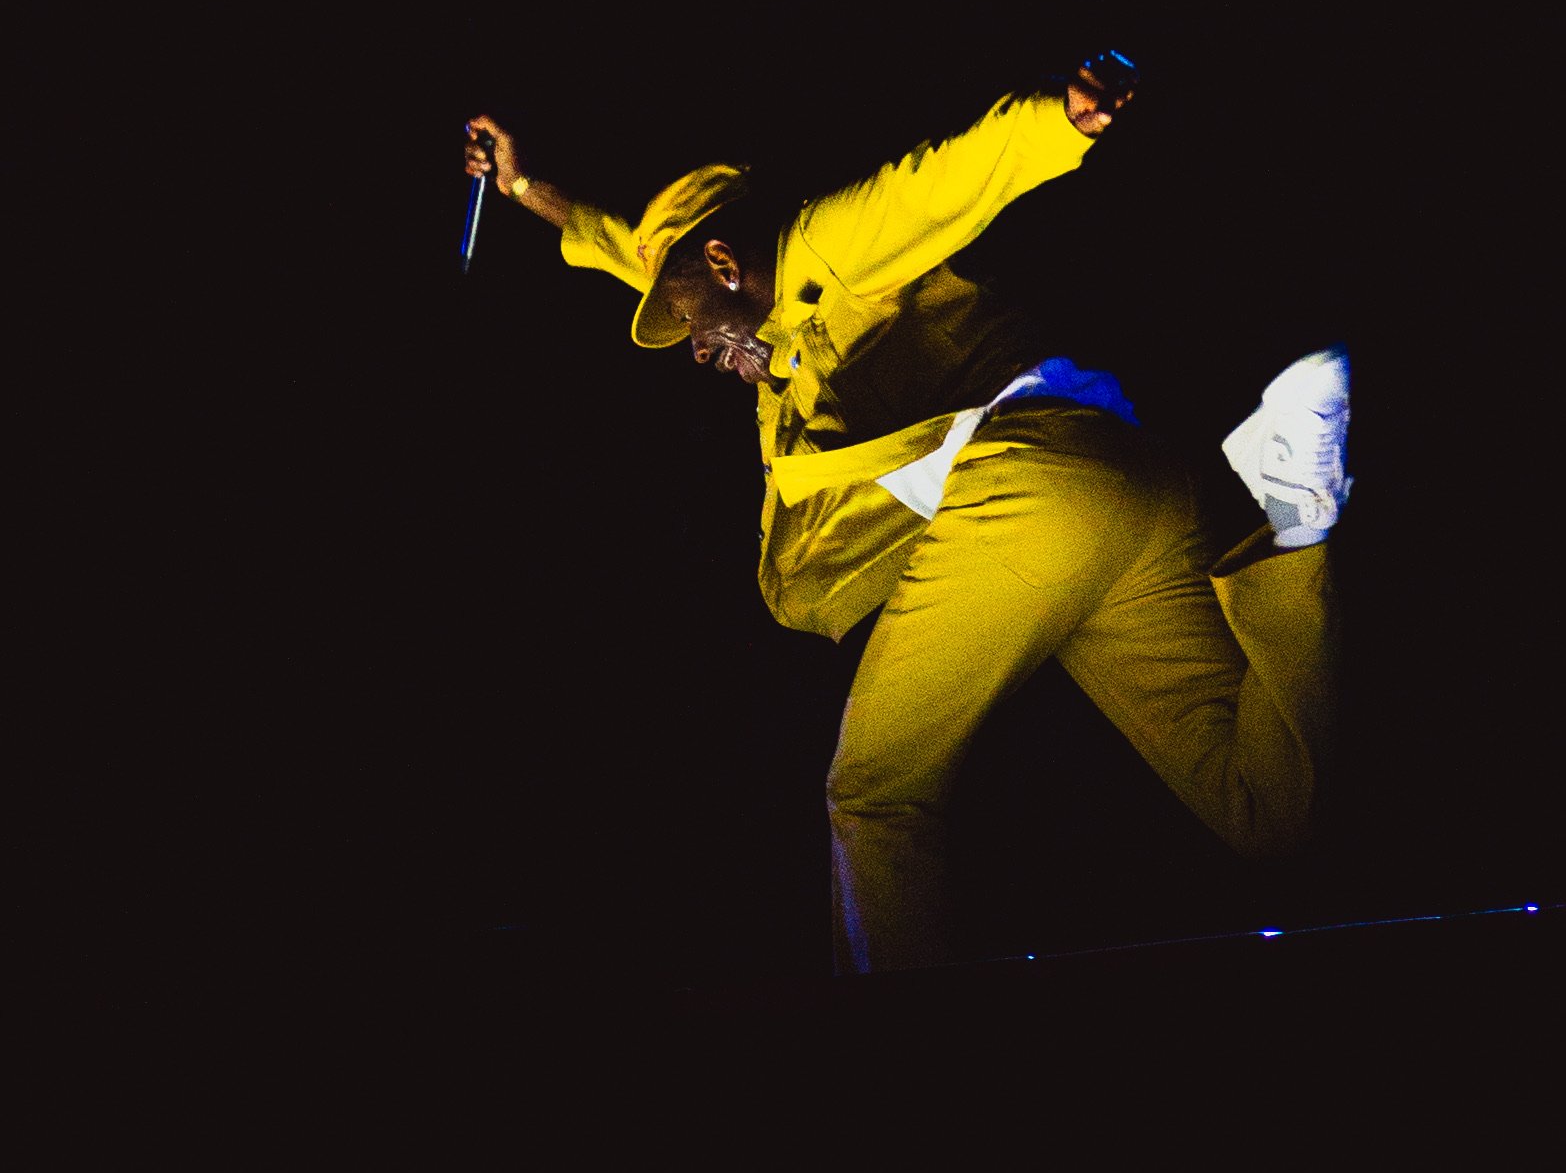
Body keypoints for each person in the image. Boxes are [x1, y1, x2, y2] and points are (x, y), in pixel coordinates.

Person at [462, 60, 1350, 972]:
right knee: (1262, 809)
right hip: (1129, 489)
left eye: (690, 321)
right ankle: (1293, 524)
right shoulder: (760, 325)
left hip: (1027, 486)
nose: (696, 350)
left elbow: (941, 183)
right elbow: (622, 248)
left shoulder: (828, 244)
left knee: (874, 794)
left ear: (725, 261)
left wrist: (1060, 121)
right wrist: (526, 187)